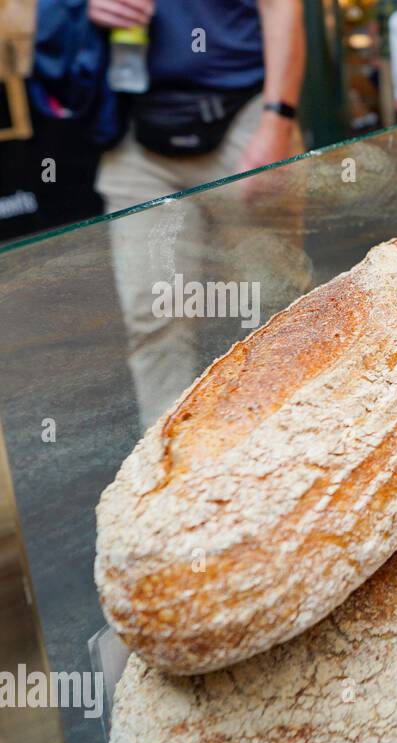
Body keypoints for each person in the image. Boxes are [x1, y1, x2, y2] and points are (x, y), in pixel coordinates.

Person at [89, 0, 306, 428]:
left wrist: (277, 122)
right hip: (134, 129)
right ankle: (170, 473)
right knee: (153, 317)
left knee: (269, 305)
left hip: (246, 115)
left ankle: (284, 450)